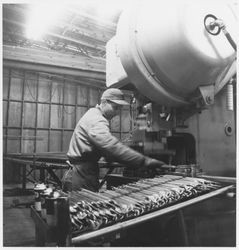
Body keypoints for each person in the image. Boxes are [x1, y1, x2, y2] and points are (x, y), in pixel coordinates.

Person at [62, 88, 165, 192]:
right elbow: (111, 147)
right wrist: (144, 161)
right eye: (115, 107)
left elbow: (105, 148)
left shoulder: (93, 114)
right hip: (81, 175)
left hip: (82, 172)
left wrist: (110, 156)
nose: (117, 113)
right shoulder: (97, 119)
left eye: (119, 109)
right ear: (104, 102)